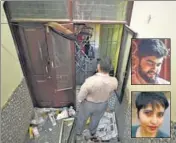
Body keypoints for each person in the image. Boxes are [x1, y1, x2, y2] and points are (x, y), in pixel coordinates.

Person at [75, 57, 118, 141]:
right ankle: (92, 132)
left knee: (82, 118)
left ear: (98, 67)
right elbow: (111, 92)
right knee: (96, 119)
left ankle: (78, 133)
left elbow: (81, 95)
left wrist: (80, 101)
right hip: (103, 104)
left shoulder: (90, 81)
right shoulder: (114, 81)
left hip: (88, 104)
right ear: (110, 69)